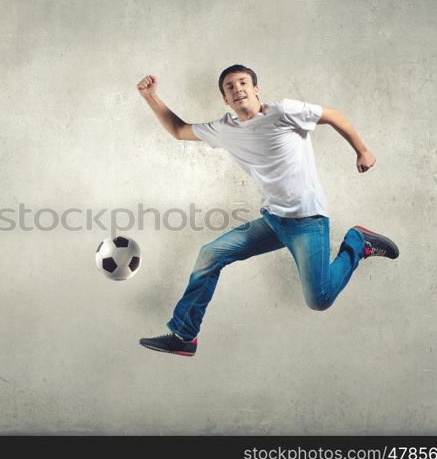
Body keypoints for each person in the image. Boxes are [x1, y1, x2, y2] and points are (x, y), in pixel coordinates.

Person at [136, 64, 399, 357]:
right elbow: (178, 130)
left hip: (308, 221)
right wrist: (150, 97)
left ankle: (357, 243)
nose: (238, 90)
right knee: (210, 254)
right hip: (274, 220)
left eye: (243, 83)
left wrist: (362, 150)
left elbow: (333, 116)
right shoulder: (225, 130)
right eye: (230, 87)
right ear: (225, 99)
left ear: (256, 89)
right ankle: (185, 336)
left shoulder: (284, 112)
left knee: (319, 300)